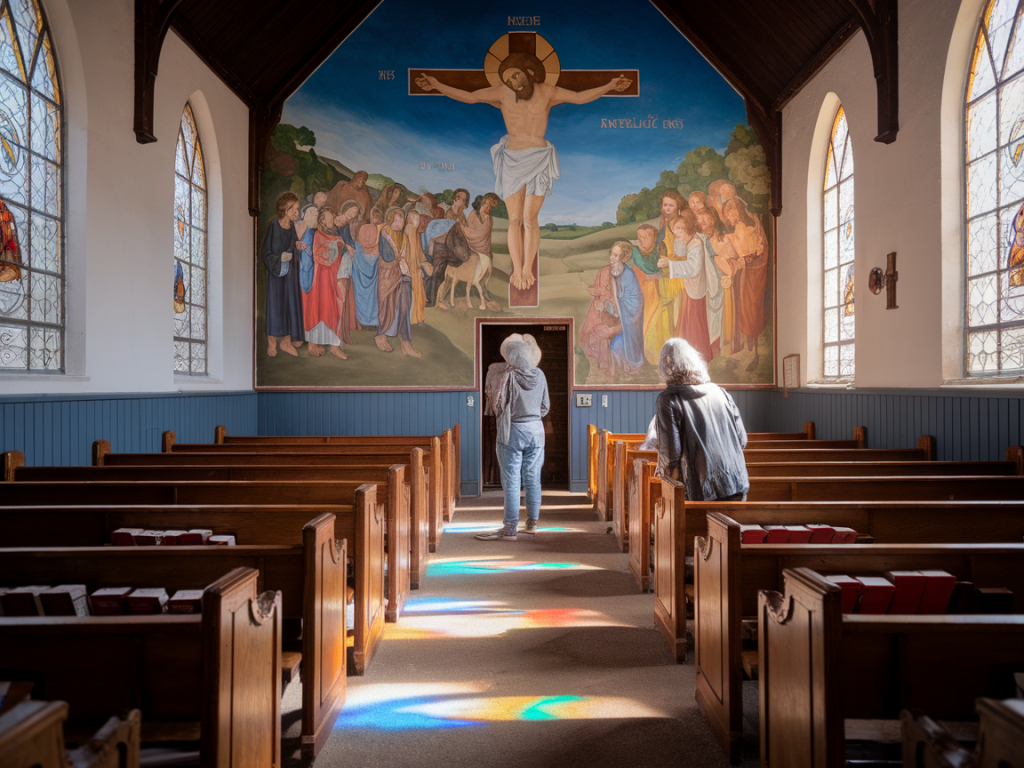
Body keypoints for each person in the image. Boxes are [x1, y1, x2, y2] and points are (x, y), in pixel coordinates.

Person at [416, 57, 630, 292]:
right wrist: (437, 85)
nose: (513, 82)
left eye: (516, 75)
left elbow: (578, 97)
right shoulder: (502, 94)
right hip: (512, 160)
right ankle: (517, 269)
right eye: (508, 80)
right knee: (515, 220)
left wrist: (609, 86)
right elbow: (471, 96)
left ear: (529, 71)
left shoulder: (547, 92)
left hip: (539, 159)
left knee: (530, 220)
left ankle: (527, 267)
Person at [654, 338, 748, 501]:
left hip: (699, 491)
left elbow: (671, 455)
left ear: (666, 367)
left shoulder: (669, 399)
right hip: (736, 485)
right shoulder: (722, 393)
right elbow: (742, 440)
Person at [477, 334, 550, 540]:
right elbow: (545, 407)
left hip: (512, 431)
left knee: (511, 481)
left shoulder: (505, 375)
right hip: (536, 430)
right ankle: (532, 524)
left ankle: (510, 528)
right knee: (533, 479)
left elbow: (497, 405)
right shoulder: (541, 375)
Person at [658, 216, 713, 363]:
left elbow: (693, 268)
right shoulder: (686, 242)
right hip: (688, 288)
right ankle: (684, 356)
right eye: (676, 228)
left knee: (694, 322)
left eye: (681, 228)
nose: (678, 231)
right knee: (685, 321)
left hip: (695, 289)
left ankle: (699, 356)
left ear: (688, 228)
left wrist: (669, 264)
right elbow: (681, 255)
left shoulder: (696, 244)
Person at [262, 191, 305, 357]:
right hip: (276, 273)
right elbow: (266, 252)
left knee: (288, 305)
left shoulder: (292, 227)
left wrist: (298, 246)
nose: (297, 212)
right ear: (285, 209)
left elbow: (292, 246)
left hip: (290, 274)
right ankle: (272, 343)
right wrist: (280, 259)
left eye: (297, 208)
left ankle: (286, 342)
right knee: (275, 307)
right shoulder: (274, 225)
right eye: (293, 208)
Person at [376, 207, 421, 357]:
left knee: (404, 308)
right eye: (396, 219)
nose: (400, 222)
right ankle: (380, 334)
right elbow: (388, 257)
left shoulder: (404, 236)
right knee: (386, 307)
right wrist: (399, 261)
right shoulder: (385, 233)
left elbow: (408, 256)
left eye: (401, 219)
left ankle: (406, 342)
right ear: (390, 220)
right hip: (387, 277)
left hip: (403, 274)